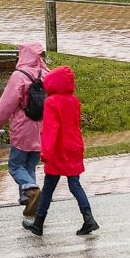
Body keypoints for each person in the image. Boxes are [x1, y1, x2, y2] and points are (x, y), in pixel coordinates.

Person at [22, 64, 100, 237]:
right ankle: (89, 219)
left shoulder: (51, 102)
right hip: (74, 147)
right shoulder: (74, 101)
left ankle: (39, 223)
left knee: (49, 187)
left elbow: (51, 129)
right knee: (74, 184)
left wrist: (46, 153)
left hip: (58, 150)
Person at [0, 42, 50, 218]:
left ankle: (31, 190)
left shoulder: (19, 76)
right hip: (41, 129)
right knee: (29, 166)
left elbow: (5, 107)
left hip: (23, 129)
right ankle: (30, 202)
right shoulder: (47, 74)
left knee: (15, 166)